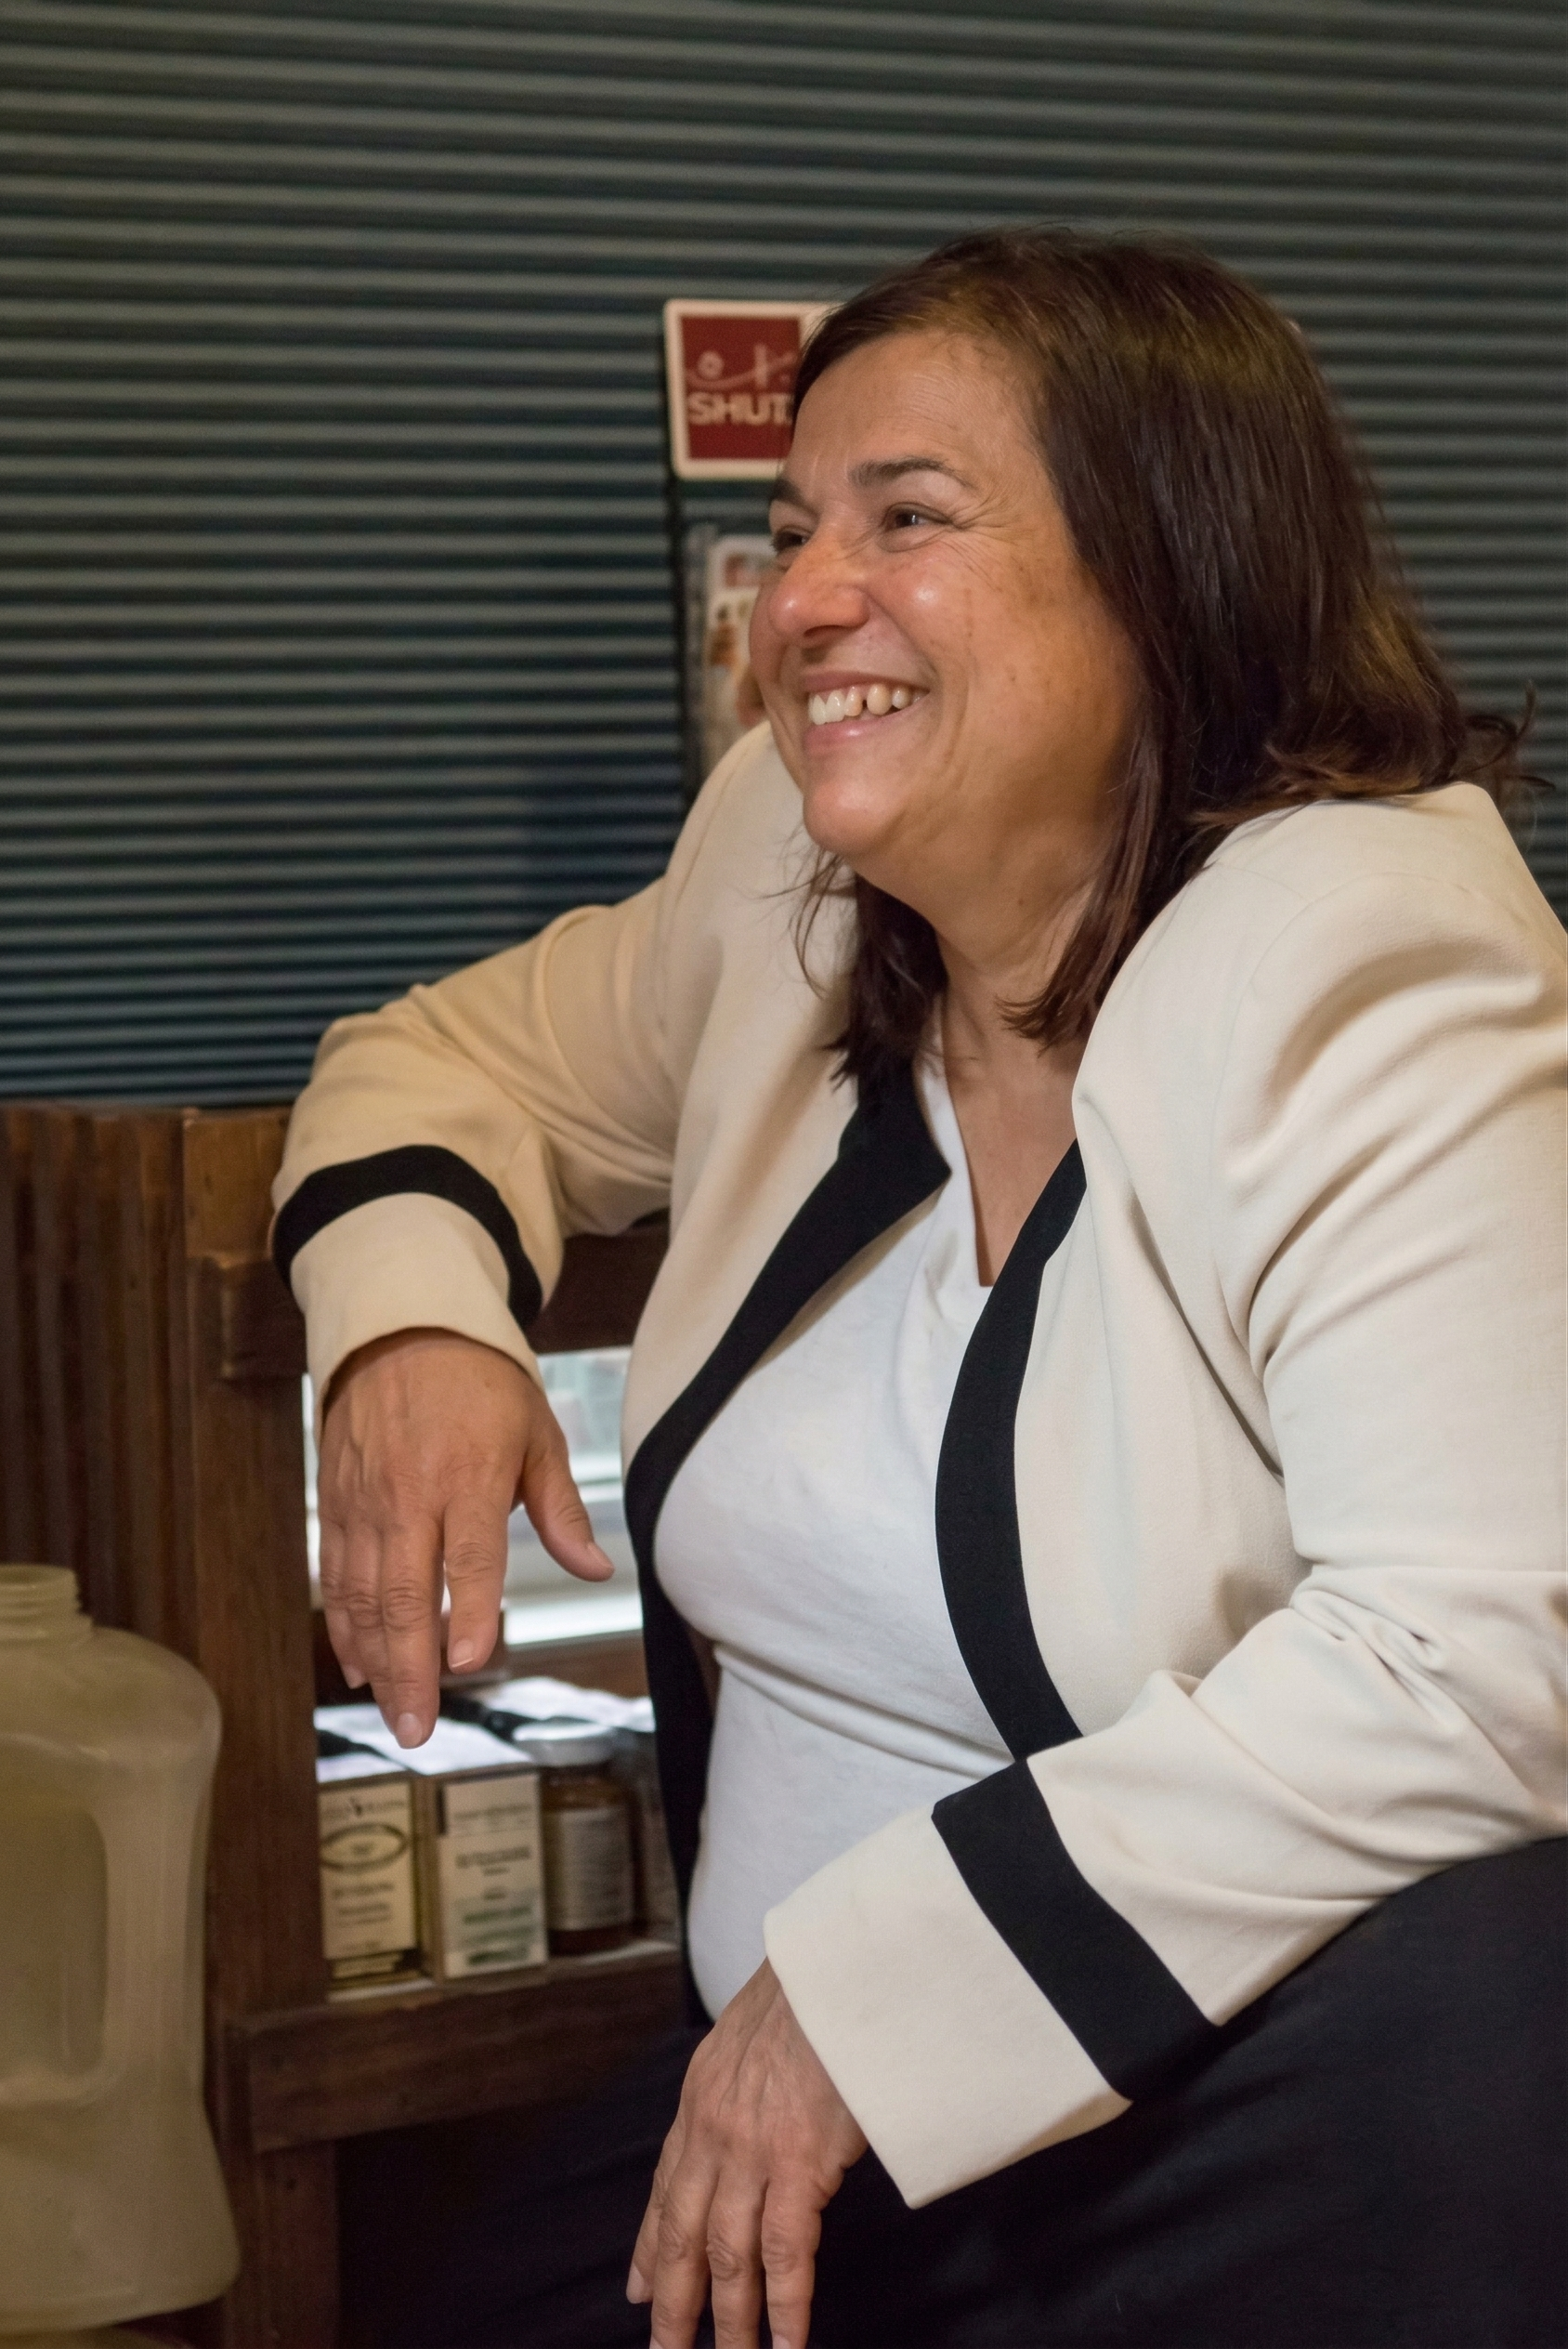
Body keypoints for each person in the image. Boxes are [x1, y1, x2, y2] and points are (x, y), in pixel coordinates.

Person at [274, 230, 1566, 2349]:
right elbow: (444, 1058)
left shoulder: (1376, 967)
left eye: (906, 520)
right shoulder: (780, 873)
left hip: (1219, 2133)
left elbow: (1479, 1658)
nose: (795, 605)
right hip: (792, 2134)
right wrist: (417, 1316)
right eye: (789, 531)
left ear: (1169, 572)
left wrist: (874, 2002)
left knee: (1514, 1980)